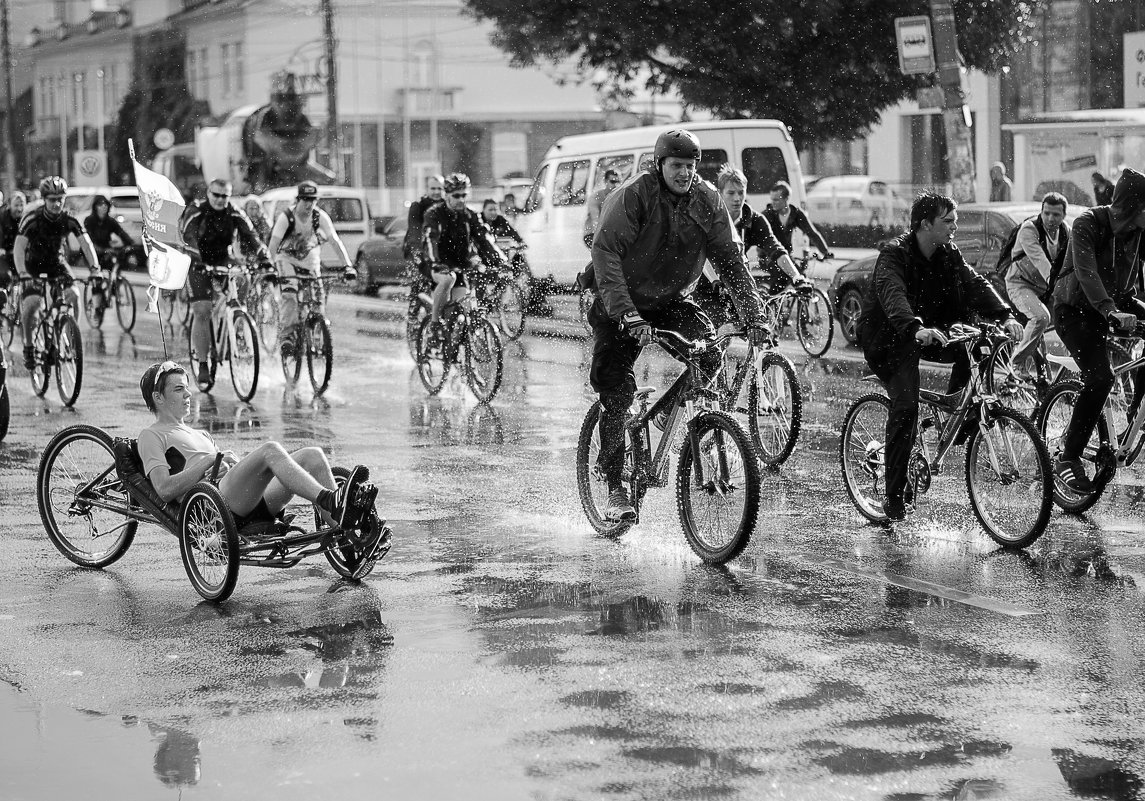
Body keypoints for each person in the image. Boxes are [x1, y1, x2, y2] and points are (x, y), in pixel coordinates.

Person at [590, 129, 769, 521]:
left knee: (708, 355)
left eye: (690, 166)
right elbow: (605, 252)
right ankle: (614, 485)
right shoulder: (636, 195)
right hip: (618, 303)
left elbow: (729, 260)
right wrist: (626, 313)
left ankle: (665, 423)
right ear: (660, 165)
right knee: (616, 392)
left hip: (671, 301)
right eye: (677, 166)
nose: (685, 173)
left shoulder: (707, 200)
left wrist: (754, 314)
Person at [856, 191, 1023, 521]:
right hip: (891, 337)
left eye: (955, 221)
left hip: (929, 330)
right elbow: (893, 295)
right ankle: (893, 495)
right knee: (906, 406)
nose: (954, 227)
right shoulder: (893, 254)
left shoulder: (948, 252)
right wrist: (913, 326)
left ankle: (958, 416)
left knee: (978, 343)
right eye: (948, 221)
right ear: (924, 224)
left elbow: (973, 282)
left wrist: (1005, 315)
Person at [137, 361, 379, 535]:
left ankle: (347, 531)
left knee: (312, 455)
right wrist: (209, 460)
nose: (188, 393)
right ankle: (330, 500)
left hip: (241, 498)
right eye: (179, 389)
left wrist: (224, 463)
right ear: (158, 397)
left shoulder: (200, 434)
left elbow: (231, 473)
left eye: (186, 387)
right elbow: (164, 489)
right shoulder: (152, 435)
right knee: (269, 449)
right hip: (214, 508)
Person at [1050, 167, 1145, 493]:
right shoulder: (1087, 223)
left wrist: (1119, 310)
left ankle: (1134, 415)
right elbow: (1087, 272)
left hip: (1117, 306)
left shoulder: (1138, 232)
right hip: (1074, 310)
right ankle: (1068, 456)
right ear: (1134, 207)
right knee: (1101, 377)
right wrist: (1110, 311)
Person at [179, 178, 273, 388]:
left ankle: (237, 322)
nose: (221, 200)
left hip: (224, 259)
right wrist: (198, 261)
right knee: (202, 310)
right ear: (209, 194)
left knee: (243, 277)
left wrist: (264, 259)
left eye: (225, 196)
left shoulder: (234, 212)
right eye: (217, 195)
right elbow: (188, 238)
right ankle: (203, 363)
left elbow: (252, 236)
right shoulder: (196, 210)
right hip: (199, 261)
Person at [693, 164, 806, 327]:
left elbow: (776, 250)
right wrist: (716, 281)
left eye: (741, 192)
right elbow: (701, 254)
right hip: (707, 285)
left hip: (736, 280)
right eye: (731, 193)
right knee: (716, 330)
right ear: (720, 194)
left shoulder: (755, 220)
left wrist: (797, 277)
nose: (737, 198)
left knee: (759, 326)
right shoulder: (710, 218)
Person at [14, 176, 101, 370]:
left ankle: (70, 338)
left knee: (74, 295)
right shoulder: (33, 219)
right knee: (32, 304)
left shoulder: (69, 219)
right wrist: (22, 273)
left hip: (56, 263)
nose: (57, 203)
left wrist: (95, 268)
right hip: (33, 266)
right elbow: (19, 248)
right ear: (44, 200)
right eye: (52, 199)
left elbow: (86, 243)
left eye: (60, 199)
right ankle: (29, 347)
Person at [266, 181, 356, 360]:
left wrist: (348, 266)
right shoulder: (286, 217)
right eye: (305, 200)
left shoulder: (319, 217)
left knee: (318, 300)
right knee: (290, 296)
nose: (309, 204)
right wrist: (269, 266)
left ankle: (316, 334)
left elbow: (334, 240)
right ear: (298, 200)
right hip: (287, 261)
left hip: (310, 263)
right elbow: (274, 244)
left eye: (313, 200)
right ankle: (287, 338)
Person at [1004, 192, 1069, 381]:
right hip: (1020, 284)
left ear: (1064, 215)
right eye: (1046, 213)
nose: (1050, 218)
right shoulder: (1029, 229)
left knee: (1072, 319)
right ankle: (1016, 362)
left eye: (1056, 215)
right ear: (1041, 211)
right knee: (1041, 317)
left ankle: (1062, 378)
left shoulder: (1066, 233)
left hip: (1045, 289)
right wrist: (1059, 286)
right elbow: (1041, 262)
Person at [423, 173, 485, 345]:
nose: (461, 199)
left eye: (464, 195)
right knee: (448, 279)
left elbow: (484, 239)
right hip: (436, 265)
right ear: (447, 195)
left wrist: (500, 261)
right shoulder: (434, 214)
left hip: (459, 266)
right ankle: (434, 325)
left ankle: (459, 353)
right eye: (456, 196)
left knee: (464, 309)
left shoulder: (470, 216)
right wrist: (436, 262)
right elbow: (430, 240)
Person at [763, 181, 832, 261]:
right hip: (768, 256)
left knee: (799, 270)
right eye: (772, 199)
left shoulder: (795, 214)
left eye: (776, 200)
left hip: (786, 255)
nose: (772, 203)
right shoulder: (767, 215)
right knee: (790, 271)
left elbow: (812, 234)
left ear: (786, 199)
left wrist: (825, 253)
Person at [403, 174, 445, 275]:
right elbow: (415, 230)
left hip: (438, 248)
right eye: (433, 188)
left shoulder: (446, 206)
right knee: (421, 280)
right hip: (418, 247)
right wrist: (417, 252)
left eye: (439, 188)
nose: (436, 192)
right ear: (427, 189)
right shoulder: (418, 206)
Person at [83, 194, 135, 264]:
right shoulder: (89, 221)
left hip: (106, 248)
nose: (103, 207)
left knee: (116, 259)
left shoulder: (110, 221)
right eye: (100, 205)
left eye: (105, 204)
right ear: (95, 207)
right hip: (93, 249)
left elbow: (121, 232)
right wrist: (102, 250)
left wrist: (129, 244)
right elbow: (89, 240)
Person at [583, 168, 622, 247]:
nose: (616, 185)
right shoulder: (595, 198)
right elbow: (596, 220)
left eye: (618, 182)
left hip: (609, 233)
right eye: (613, 182)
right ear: (605, 181)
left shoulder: (620, 196)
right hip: (592, 234)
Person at [0, 190, 26, 292]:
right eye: (16, 205)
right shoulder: (2, 217)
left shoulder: (26, 219)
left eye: (21, 205)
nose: (19, 209)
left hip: (20, 254)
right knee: (5, 275)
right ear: (9, 205)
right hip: (5, 254)